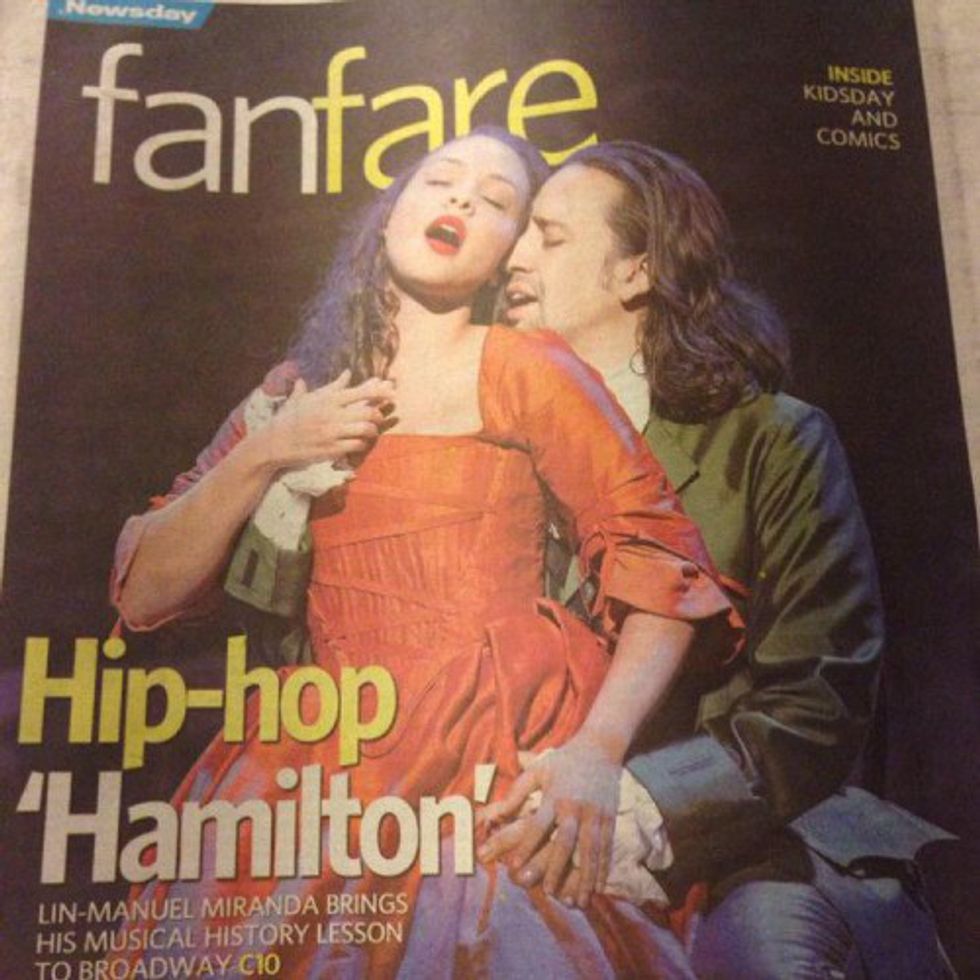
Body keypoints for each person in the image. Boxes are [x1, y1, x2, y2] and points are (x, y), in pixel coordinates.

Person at [110, 130, 741, 978]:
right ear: (387, 216)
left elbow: (663, 566)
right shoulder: (292, 390)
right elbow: (143, 593)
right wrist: (270, 450)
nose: (462, 200)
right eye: (441, 180)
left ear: (504, 257)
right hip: (325, 749)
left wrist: (597, 751)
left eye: (497, 201)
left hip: (491, 744)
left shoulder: (523, 365)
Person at [484, 141, 952, 978]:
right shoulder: (485, 459)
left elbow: (817, 701)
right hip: (528, 846)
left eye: (548, 237)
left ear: (637, 270)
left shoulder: (773, 440)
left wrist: (642, 802)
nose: (512, 258)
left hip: (755, 844)